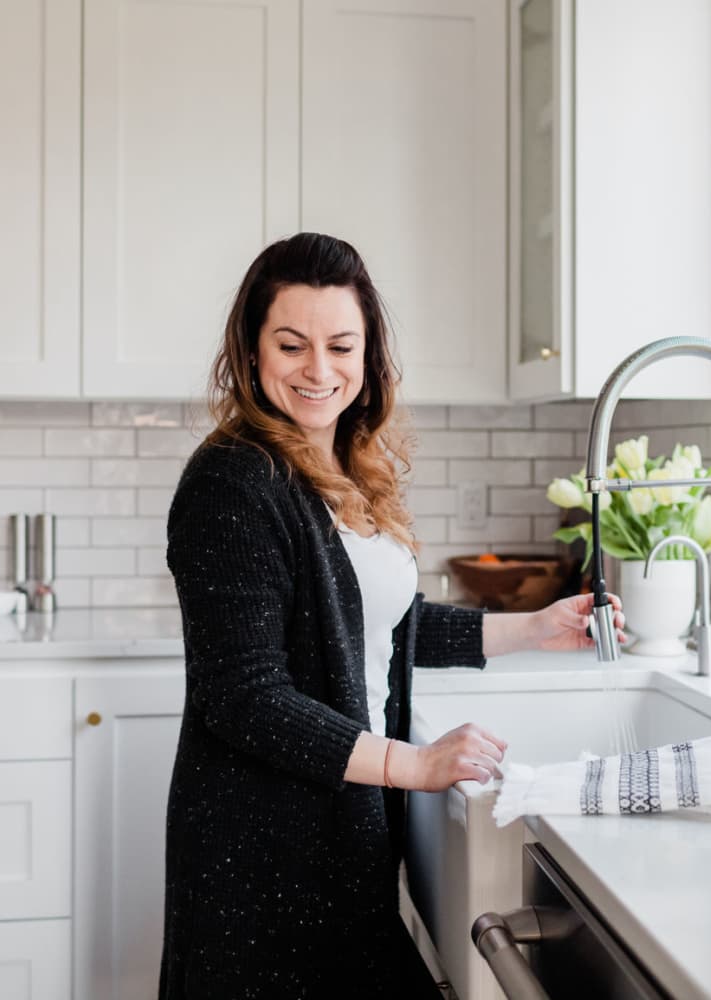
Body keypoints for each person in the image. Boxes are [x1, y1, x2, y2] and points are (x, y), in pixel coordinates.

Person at [159, 232, 623, 998]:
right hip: (266, 854)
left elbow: (381, 627)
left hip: (338, 832)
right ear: (251, 351)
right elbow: (244, 696)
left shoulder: (338, 468)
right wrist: (414, 766)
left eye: (341, 345)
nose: (318, 369)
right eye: (291, 344)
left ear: (369, 357)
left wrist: (536, 628)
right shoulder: (233, 482)